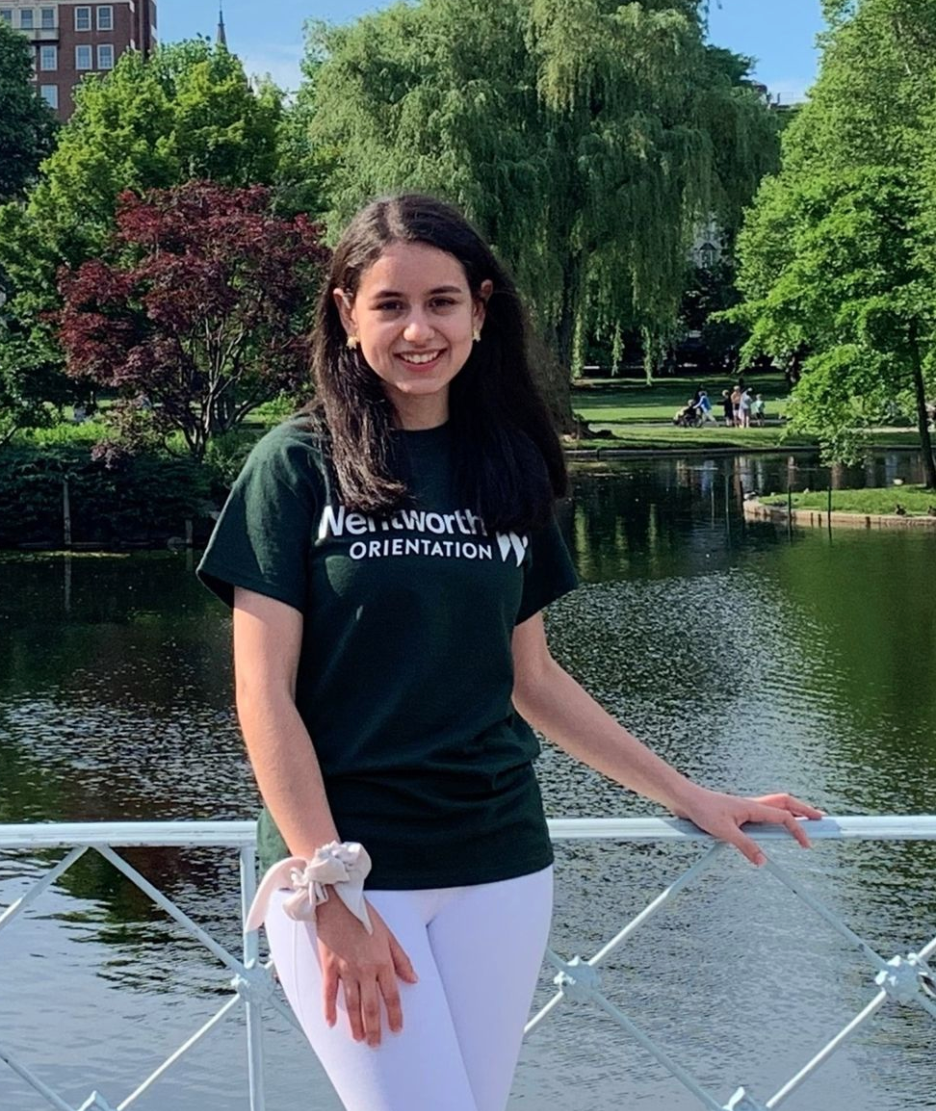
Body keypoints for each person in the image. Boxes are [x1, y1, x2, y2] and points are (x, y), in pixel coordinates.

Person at [197, 194, 820, 1111]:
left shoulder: (506, 464)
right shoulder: (294, 467)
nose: (419, 329)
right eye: (390, 304)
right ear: (345, 313)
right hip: (354, 868)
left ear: (480, 311)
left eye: (443, 302)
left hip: (500, 863)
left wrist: (690, 795)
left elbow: (533, 679)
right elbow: (263, 698)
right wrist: (333, 888)